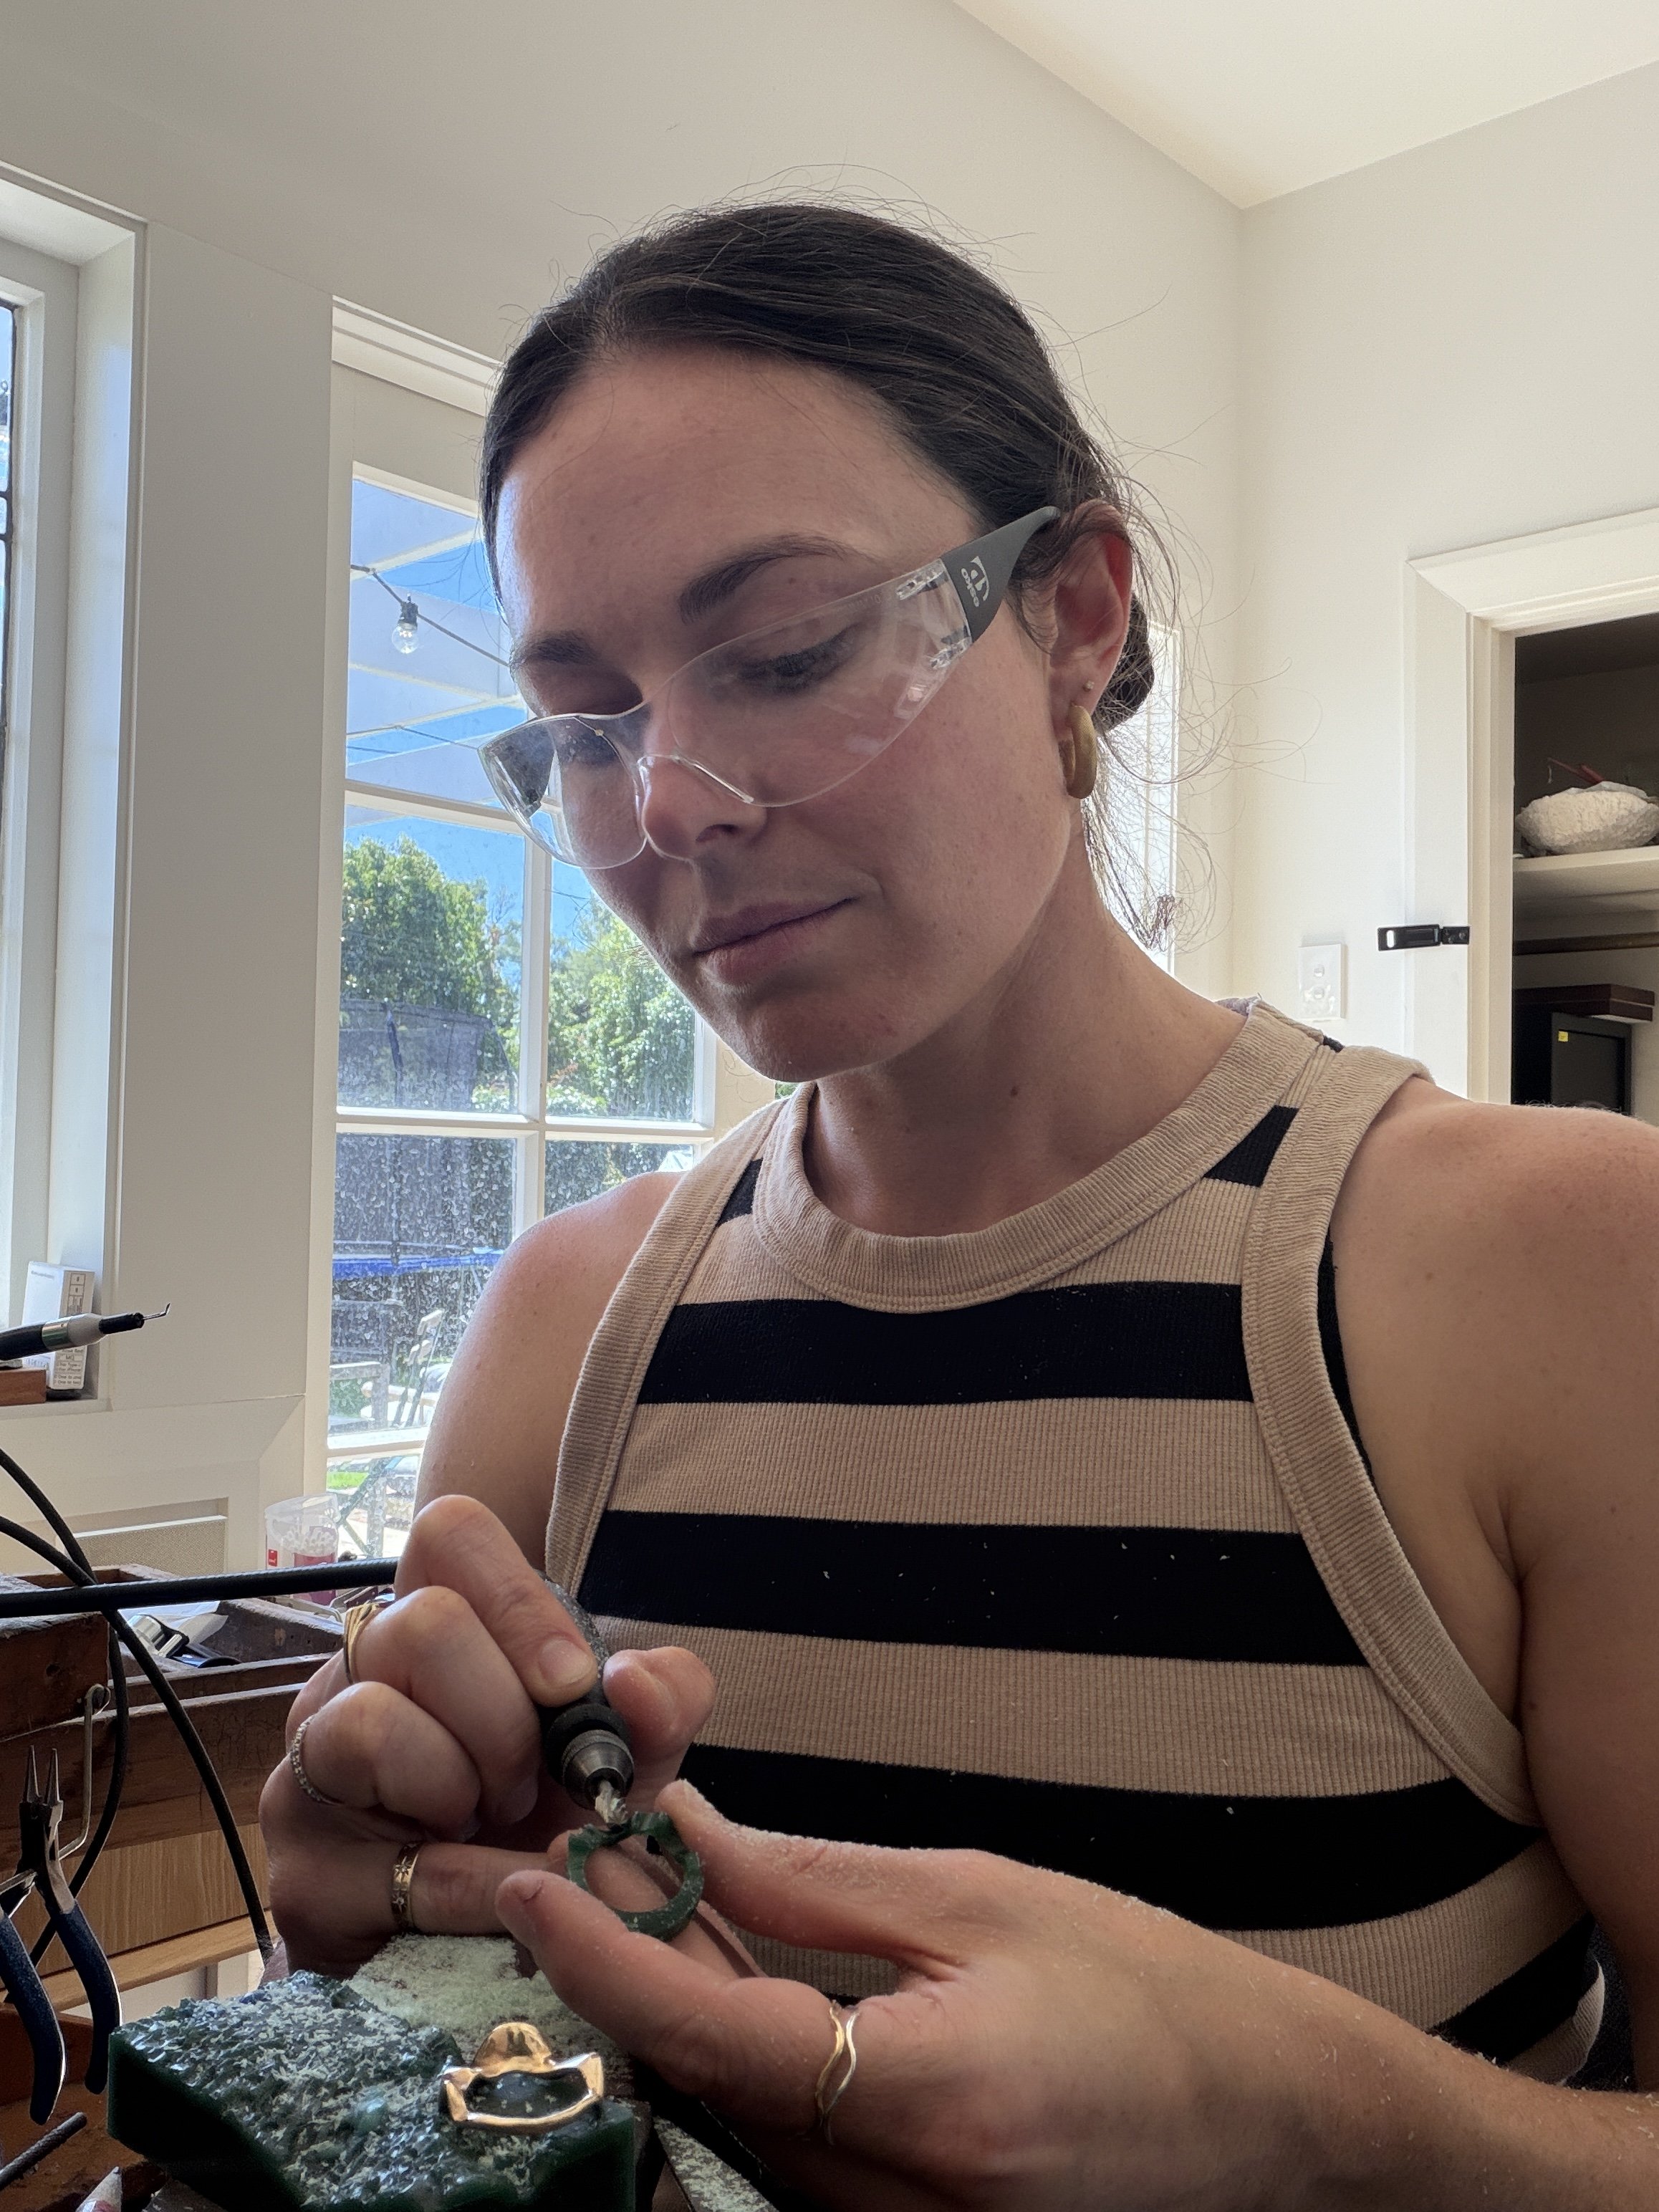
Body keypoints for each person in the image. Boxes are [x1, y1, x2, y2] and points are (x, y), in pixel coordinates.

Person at [262, 203, 1659, 2206]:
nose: (664, 802)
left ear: (1071, 616)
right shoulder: (569, 1330)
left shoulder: (1537, 1271)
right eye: (584, 723)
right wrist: (379, 1939)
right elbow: (515, 2066)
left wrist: (1299, 2112)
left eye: (786, 650)